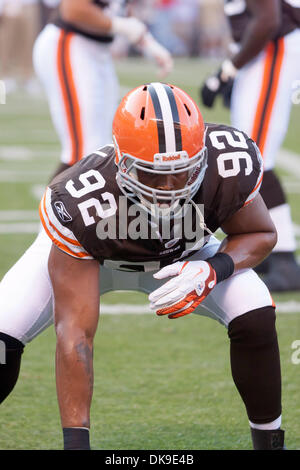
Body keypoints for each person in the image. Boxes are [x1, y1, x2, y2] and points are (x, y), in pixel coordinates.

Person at [0, 83, 285, 450]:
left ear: (200, 159)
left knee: (255, 311)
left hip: (184, 258)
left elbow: (261, 233)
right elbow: (75, 335)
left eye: (181, 172)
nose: (167, 188)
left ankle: (270, 445)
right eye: (151, 174)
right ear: (121, 163)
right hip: (92, 258)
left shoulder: (227, 164)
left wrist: (214, 267)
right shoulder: (81, 200)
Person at [200, 0, 300, 292]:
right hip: (265, 52)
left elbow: (268, 20)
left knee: (253, 157)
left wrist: (228, 70)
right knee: (249, 152)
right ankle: (274, 256)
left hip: (274, 48)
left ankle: (283, 258)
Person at [33, 0, 173, 180]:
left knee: (103, 147)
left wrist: (147, 42)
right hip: (70, 42)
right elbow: (73, 9)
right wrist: (122, 26)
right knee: (83, 150)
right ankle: (55, 207)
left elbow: (116, 8)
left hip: (96, 50)